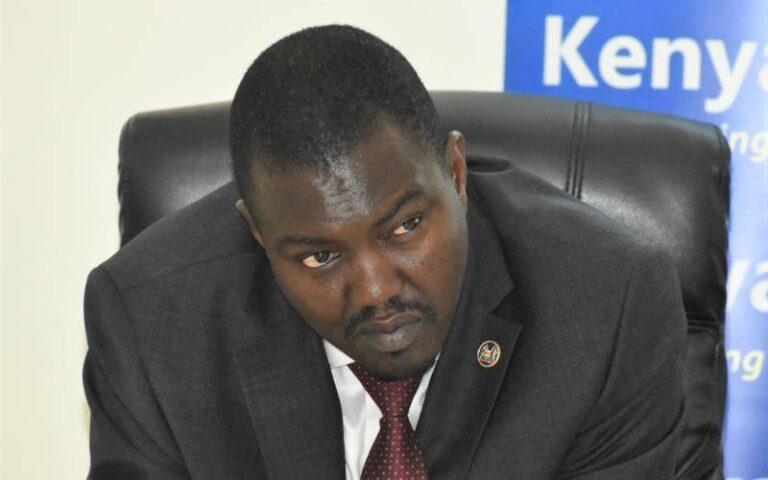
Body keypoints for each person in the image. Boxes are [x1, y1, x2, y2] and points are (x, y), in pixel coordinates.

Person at [83, 25, 686, 479]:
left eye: (405, 227)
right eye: (319, 258)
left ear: (456, 174)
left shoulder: (606, 305)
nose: (376, 291)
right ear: (259, 235)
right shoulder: (151, 325)